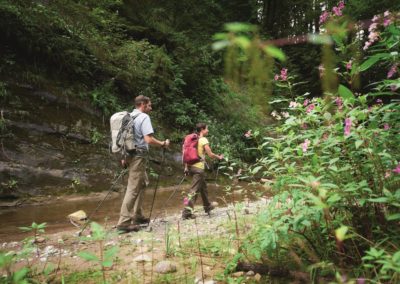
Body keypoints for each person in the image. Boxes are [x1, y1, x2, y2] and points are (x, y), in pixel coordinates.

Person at [117, 95, 170, 233]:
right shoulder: (144, 117)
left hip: (129, 155)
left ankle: (138, 215)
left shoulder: (129, 117)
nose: (151, 108)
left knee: (143, 182)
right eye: (149, 105)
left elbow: (124, 139)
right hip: (138, 156)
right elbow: (148, 139)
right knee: (133, 188)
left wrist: (124, 158)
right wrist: (163, 143)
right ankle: (123, 222)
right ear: (142, 104)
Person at [182, 123, 223, 219]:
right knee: (193, 191)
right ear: (202, 130)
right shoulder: (203, 140)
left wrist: (186, 167)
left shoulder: (190, 140)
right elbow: (210, 154)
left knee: (203, 188)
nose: (208, 131)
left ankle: (207, 206)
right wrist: (219, 157)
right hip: (199, 169)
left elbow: (185, 154)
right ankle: (186, 212)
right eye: (207, 129)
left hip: (191, 167)